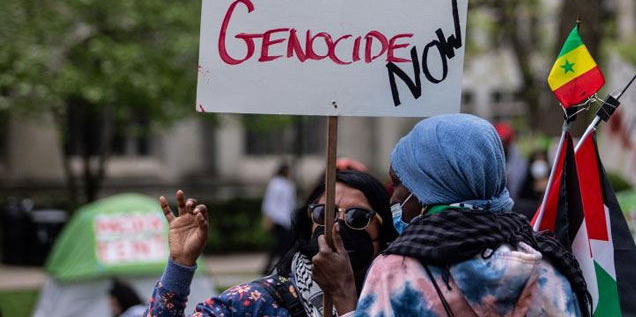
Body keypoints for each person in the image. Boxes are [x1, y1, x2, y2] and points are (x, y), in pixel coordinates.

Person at [314, 113, 591, 315]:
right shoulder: (548, 266)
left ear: (432, 188)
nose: (394, 197)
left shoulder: (397, 272)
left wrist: (343, 294)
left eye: (399, 183)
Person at [145, 169, 397, 316]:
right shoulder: (254, 302)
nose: (336, 226)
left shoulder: (403, 301)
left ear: (384, 229)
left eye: (357, 217)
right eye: (323, 213)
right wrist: (180, 264)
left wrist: (344, 298)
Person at [261, 162, 297, 275]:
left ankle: (277, 266)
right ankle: (277, 267)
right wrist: (268, 217)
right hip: (278, 218)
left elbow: (291, 203)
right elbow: (270, 201)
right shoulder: (276, 183)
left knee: (281, 245)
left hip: (287, 219)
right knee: (281, 244)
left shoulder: (289, 185)